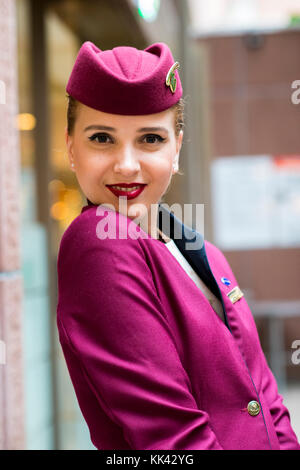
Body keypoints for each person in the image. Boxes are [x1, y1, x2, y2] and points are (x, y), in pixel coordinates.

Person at [56, 40, 300, 450]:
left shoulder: (200, 250)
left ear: (177, 148)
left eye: (150, 139)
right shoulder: (97, 243)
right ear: (70, 146)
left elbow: (265, 396)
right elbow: (171, 438)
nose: (127, 164)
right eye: (102, 138)